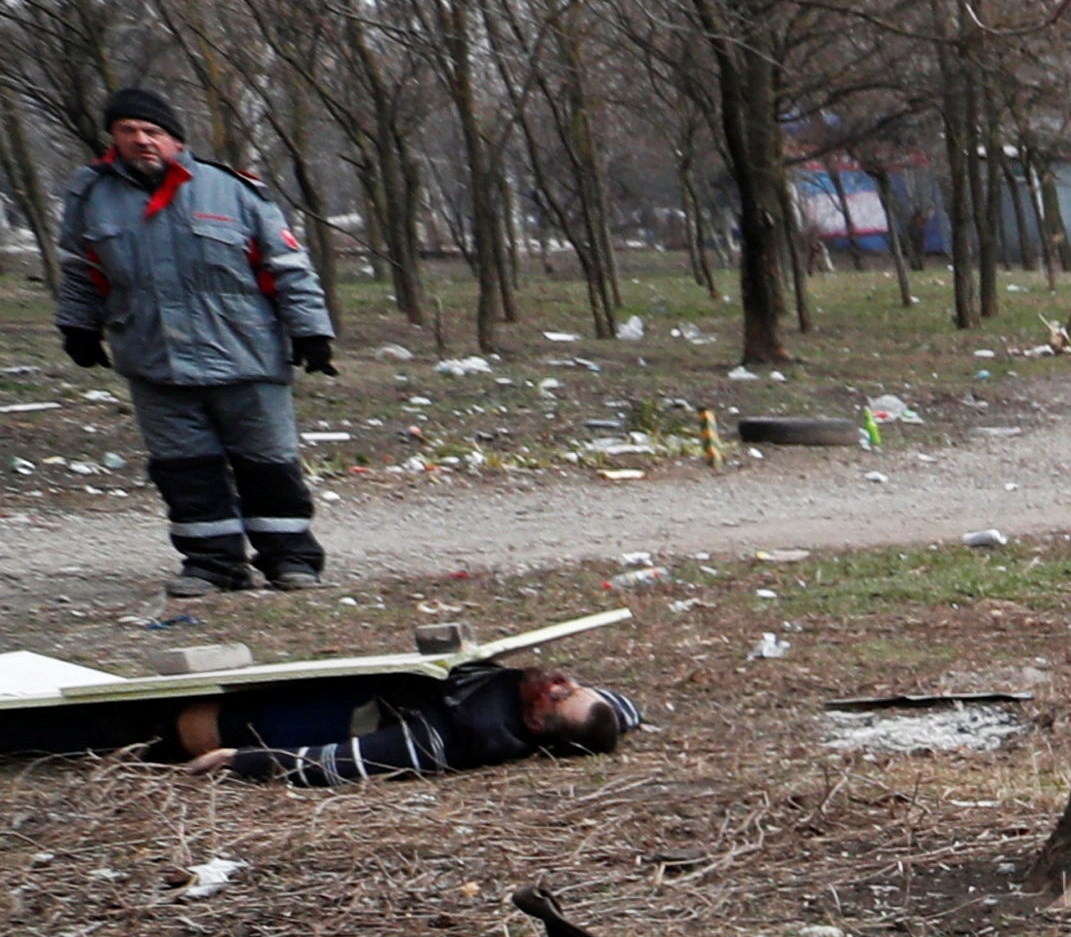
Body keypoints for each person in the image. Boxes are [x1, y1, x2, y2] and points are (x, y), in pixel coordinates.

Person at [53, 90, 334, 596]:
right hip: (154, 359)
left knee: (269, 466)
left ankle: (291, 560)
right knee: (185, 472)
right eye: (128, 130)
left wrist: (311, 330)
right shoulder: (90, 195)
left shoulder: (233, 191)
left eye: (152, 131)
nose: (141, 140)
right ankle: (212, 564)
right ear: (113, 138)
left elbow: (289, 268)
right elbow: (80, 270)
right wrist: (78, 325)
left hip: (246, 356)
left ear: (175, 140)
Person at [161, 657, 637, 784]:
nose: (561, 682)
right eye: (572, 685)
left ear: (535, 724)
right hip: (355, 687)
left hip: (289, 722)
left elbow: (346, 763)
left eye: (561, 696)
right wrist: (619, 717)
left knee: (191, 724)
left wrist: (240, 761)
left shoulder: (449, 737)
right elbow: (622, 708)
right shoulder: (525, 697)